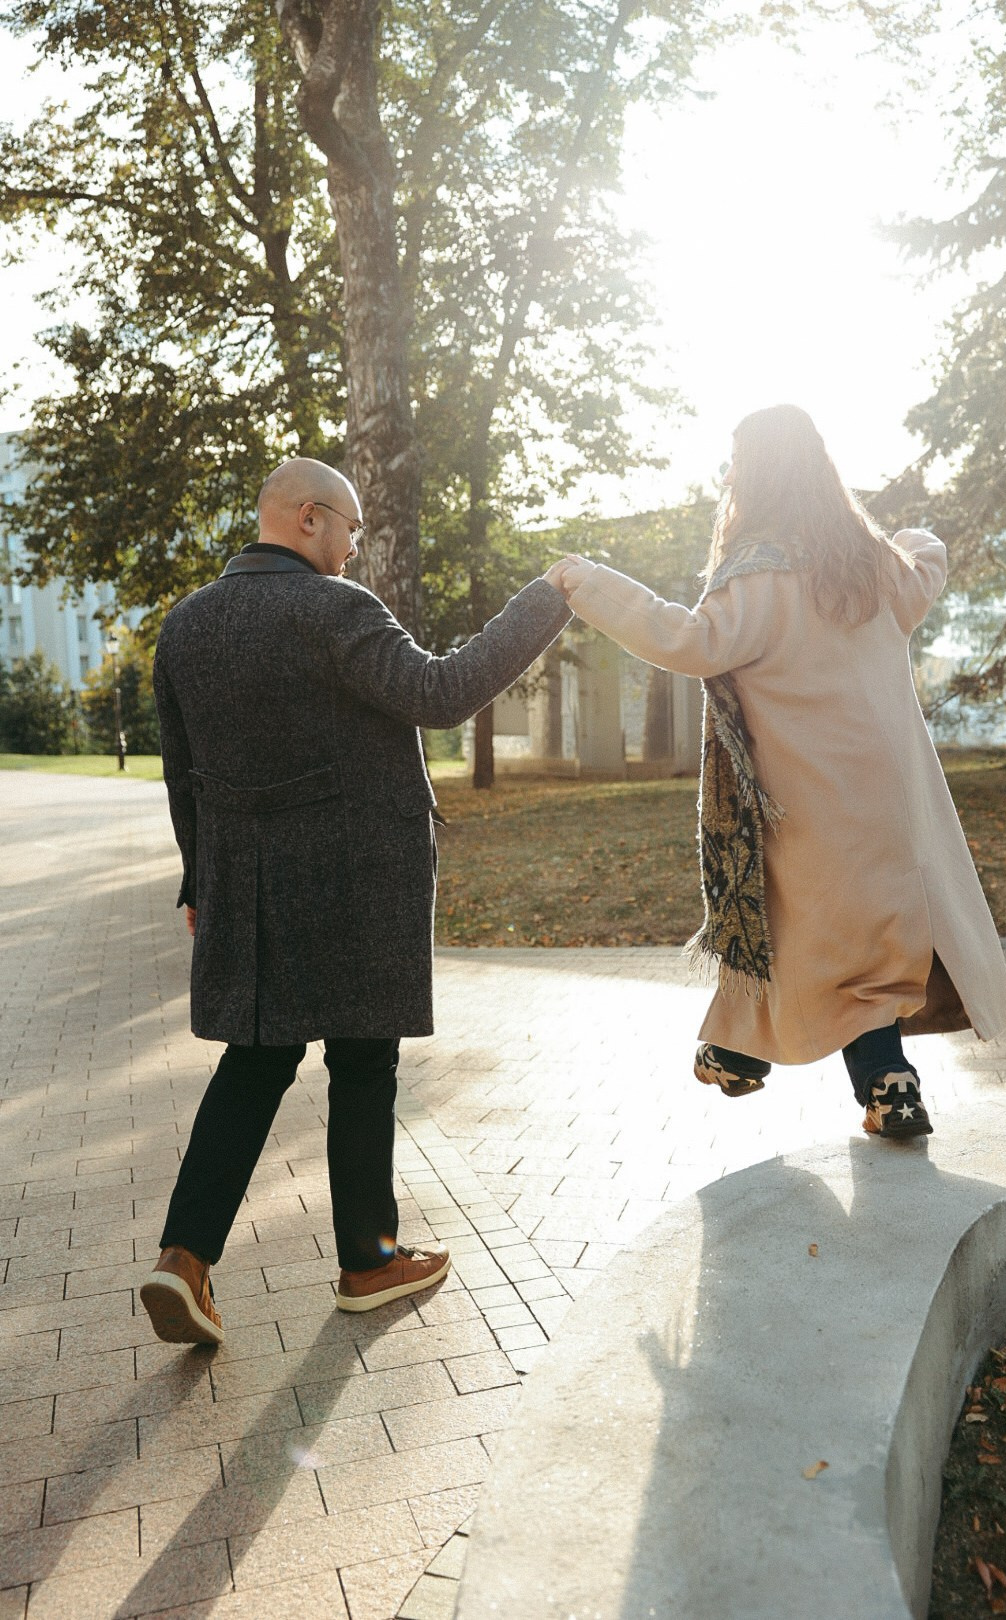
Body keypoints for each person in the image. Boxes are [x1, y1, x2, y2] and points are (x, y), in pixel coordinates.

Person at [140, 457, 571, 1346]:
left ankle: (184, 1260)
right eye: (352, 529)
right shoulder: (335, 610)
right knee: (363, 1064)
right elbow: (441, 692)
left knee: (256, 1062)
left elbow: (181, 775)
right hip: (353, 880)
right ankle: (369, 1261)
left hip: (250, 888)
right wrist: (548, 597)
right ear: (307, 519)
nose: (354, 547)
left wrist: (199, 881)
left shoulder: (185, 627)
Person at [546, 404, 1006, 1139]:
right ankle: (798, 1066)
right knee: (863, 947)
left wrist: (593, 584)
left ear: (758, 475)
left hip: (809, 802)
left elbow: (691, 640)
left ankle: (772, 1063)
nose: (728, 476)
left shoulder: (761, 577)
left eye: (736, 463)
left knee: (801, 934)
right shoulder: (874, 569)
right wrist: (902, 534)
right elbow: (928, 558)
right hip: (895, 804)